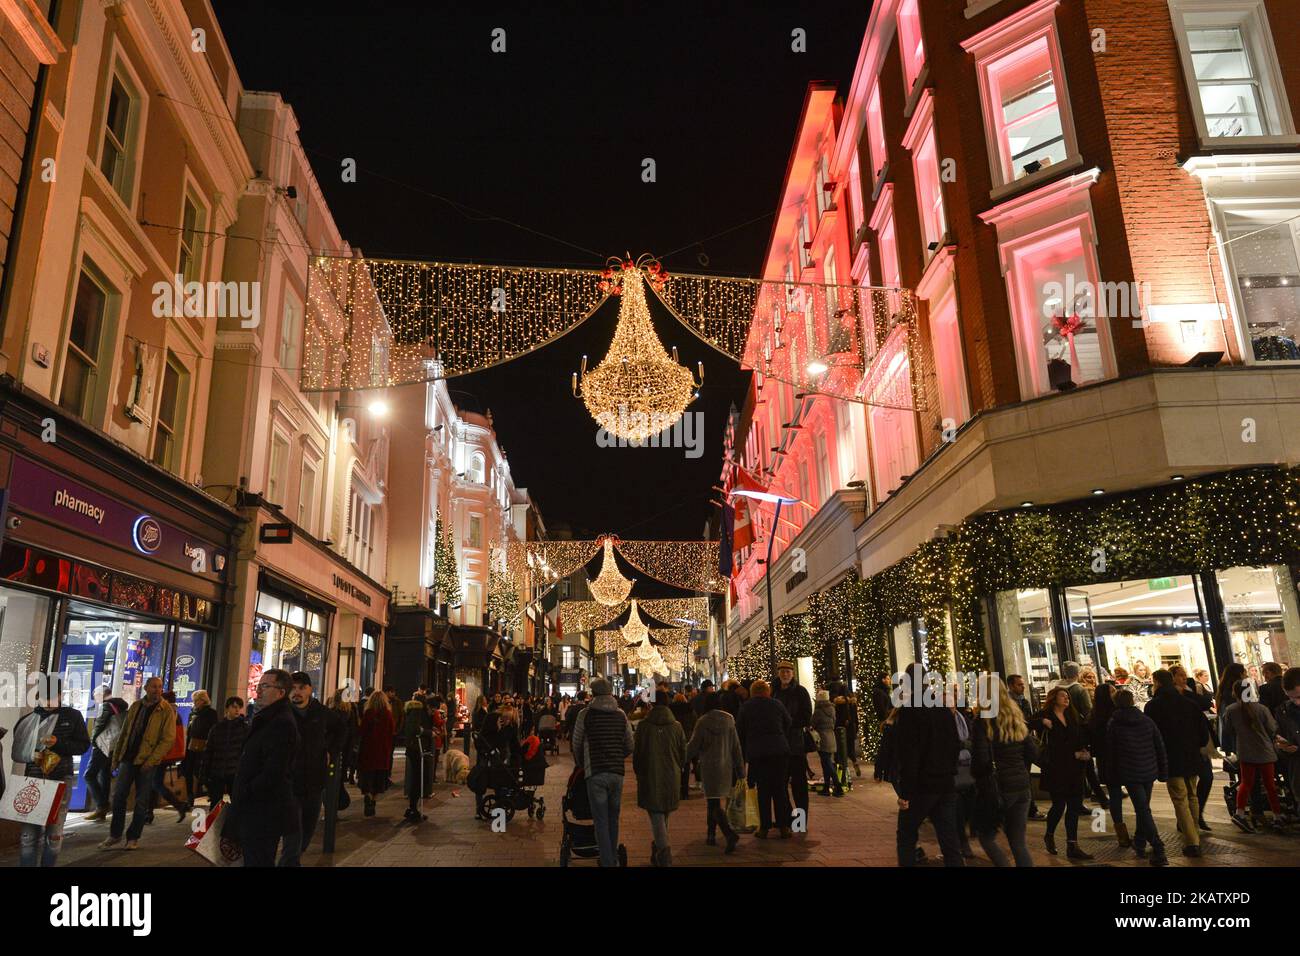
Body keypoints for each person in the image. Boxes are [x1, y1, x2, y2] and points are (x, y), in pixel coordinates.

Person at [225, 669, 300, 867]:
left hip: (263, 812)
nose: (259, 691)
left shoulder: (281, 723)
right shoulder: (267, 718)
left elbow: (274, 771)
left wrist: (247, 791)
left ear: (281, 692)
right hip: (255, 809)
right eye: (259, 686)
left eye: (265, 687)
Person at [12, 675, 89, 866]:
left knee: (53, 836)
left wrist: (58, 743)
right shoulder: (28, 720)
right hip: (33, 782)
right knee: (28, 837)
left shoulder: (72, 716)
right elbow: (18, 751)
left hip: (61, 781)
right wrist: (32, 754)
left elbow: (83, 746)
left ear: (60, 694)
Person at [893, 664, 964, 867]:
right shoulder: (942, 707)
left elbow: (910, 753)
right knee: (949, 839)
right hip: (946, 783)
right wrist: (950, 769)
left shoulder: (910, 709)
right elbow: (955, 744)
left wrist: (905, 792)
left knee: (906, 835)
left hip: (922, 785)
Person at [100, 676, 177, 851]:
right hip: (128, 758)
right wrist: (116, 758)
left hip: (147, 762)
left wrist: (152, 760)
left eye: (159, 687)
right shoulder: (136, 706)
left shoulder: (166, 711)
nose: (157, 690)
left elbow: (167, 739)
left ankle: (133, 837)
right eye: (153, 687)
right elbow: (124, 733)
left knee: (141, 801)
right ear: (146, 688)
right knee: (119, 797)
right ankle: (115, 834)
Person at [279, 671, 342, 865]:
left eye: (301, 688)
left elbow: (341, 729)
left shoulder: (321, 712)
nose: (296, 692)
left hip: (315, 780)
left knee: (308, 827)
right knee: (293, 831)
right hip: (289, 781)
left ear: (309, 690)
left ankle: (293, 858)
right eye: (293, 688)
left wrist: (331, 750)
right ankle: (290, 862)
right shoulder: (282, 713)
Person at [1144, 669, 1208, 857]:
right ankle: (1194, 833)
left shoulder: (1153, 707)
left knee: (1180, 799)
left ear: (1157, 682)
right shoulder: (1189, 703)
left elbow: (1152, 736)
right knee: (1192, 796)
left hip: (1171, 758)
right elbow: (1203, 732)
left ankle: (1192, 841)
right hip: (1191, 756)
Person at [570, 677, 634, 867]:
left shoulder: (585, 714)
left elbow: (576, 743)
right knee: (613, 818)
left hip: (595, 772)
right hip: (617, 773)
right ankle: (611, 857)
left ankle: (607, 862)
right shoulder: (621, 715)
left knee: (600, 820)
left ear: (594, 694)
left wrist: (582, 764)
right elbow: (630, 745)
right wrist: (617, 756)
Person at [1107, 689, 1169, 866]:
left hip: (1130, 773)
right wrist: (1163, 771)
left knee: (1143, 809)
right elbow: (1159, 745)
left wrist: (1112, 776)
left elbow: (1112, 753)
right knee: (1143, 808)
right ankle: (1140, 842)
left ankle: (1158, 847)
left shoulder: (1114, 724)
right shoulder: (1146, 721)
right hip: (1148, 771)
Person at [980, 680, 1038, 867]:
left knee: (987, 837)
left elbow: (980, 760)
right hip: (1022, 785)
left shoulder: (984, 721)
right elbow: (1033, 753)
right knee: (1018, 842)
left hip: (999, 787)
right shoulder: (1016, 717)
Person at [1035, 686, 1093, 860]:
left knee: (1074, 807)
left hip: (1075, 768)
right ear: (1054, 698)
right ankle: (1050, 834)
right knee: (1059, 805)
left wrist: (1084, 751)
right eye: (1063, 696)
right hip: (1056, 768)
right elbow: (1030, 723)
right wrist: (1042, 722)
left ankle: (1072, 845)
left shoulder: (1072, 716)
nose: (1066, 698)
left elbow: (1080, 736)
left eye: (1068, 696)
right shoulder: (1046, 715)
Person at [1222, 679, 1285, 832]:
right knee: (1270, 785)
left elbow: (1229, 730)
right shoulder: (1261, 709)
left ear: (1234, 693)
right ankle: (1277, 816)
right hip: (1264, 752)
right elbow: (1272, 728)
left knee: (1246, 783)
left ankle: (1240, 813)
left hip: (1245, 752)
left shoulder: (1231, 710)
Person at [633, 690, 686, 866]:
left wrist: (639, 772)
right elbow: (682, 754)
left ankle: (664, 855)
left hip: (650, 774)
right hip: (672, 775)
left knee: (656, 813)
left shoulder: (643, 726)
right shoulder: (676, 726)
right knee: (663, 812)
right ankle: (657, 850)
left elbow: (637, 754)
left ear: (651, 704)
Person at [686, 691, 743, 853]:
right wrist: (740, 769)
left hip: (709, 767)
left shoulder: (703, 721)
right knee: (715, 802)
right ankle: (710, 834)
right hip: (727, 766)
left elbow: (693, 745)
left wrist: (682, 758)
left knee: (713, 802)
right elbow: (736, 746)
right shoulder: (729, 719)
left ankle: (728, 833)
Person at [737, 679, 792, 839]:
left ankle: (764, 827)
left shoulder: (746, 707)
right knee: (780, 789)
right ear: (767, 691)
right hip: (779, 751)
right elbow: (788, 722)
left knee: (763, 791)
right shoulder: (777, 704)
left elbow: (740, 729)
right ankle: (784, 826)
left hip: (758, 752)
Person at [1169, 664, 1215, 832]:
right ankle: (1189, 819)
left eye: (1184, 675)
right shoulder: (1173, 695)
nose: (1183, 678)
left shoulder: (1190, 689)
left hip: (1200, 741)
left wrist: (1189, 690)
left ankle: (1195, 815)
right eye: (1180, 675)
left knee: (1206, 778)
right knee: (1189, 784)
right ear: (1172, 677)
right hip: (1186, 745)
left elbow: (1205, 703)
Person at [1087, 680, 1128, 847]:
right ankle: (1122, 832)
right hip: (1117, 760)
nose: (1115, 694)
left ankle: (1122, 833)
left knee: (1117, 796)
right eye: (1111, 692)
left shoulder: (1094, 716)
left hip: (1109, 761)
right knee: (1117, 796)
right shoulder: (1115, 715)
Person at [772, 659, 812, 827]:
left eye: (788, 671)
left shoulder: (801, 692)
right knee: (779, 785)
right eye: (782, 671)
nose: (785, 674)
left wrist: (788, 723)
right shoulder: (773, 691)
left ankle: (800, 821)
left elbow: (806, 715)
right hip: (778, 745)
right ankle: (787, 818)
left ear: (793, 673)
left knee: (799, 786)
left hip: (796, 745)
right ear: (778, 673)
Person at [83, 685, 127, 822]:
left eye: (95, 695)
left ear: (101, 695)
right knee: (105, 775)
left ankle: (102, 806)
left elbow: (99, 726)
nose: (94, 698)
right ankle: (101, 811)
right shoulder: (121, 706)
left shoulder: (106, 706)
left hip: (103, 745)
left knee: (89, 775)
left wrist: (93, 742)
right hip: (114, 746)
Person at [203, 696, 249, 806]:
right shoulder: (217, 728)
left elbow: (247, 751)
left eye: (239, 707)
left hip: (235, 771)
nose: (237, 710)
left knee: (237, 803)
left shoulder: (244, 728)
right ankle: (215, 823)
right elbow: (209, 750)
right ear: (227, 708)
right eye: (234, 707)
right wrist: (204, 773)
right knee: (215, 803)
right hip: (217, 771)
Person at [1006, 675, 1039, 818]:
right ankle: (1029, 808)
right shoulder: (1007, 703)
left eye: (1023, 684)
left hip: (1025, 742)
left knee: (1027, 775)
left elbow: (1029, 720)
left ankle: (1029, 808)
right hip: (1015, 744)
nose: (1023, 687)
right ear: (1011, 686)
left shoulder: (1024, 702)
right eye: (1019, 685)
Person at [358, 690, 396, 816]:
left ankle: (367, 795)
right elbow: (392, 731)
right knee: (379, 778)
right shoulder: (388, 714)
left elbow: (362, 731)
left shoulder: (369, 713)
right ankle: (373, 800)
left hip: (368, 751)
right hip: (382, 751)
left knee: (367, 776)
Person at [401, 691, 434, 823]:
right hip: (417, 749)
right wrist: (428, 732)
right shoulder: (417, 711)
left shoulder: (413, 710)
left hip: (415, 748)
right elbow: (415, 729)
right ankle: (413, 807)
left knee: (419, 777)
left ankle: (413, 806)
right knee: (418, 778)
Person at [183, 690, 218, 804]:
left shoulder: (211, 713)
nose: (194, 703)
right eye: (194, 700)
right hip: (191, 746)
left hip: (203, 746)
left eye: (196, 700)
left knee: (200, 772)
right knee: (188, 771)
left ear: (203, 701)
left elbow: (213, 729)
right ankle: (190, 796)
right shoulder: (192, 713)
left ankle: (212, 791)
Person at [1274, 667, 1300, 799]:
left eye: (1299, 696)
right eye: (1291, 697)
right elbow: (1279, 737)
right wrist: (1282, 746)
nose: (1297, 702)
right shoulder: (1283, 711)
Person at [812, 689, 842, 797]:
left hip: (822, 738)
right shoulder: (832, 709)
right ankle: (826, 787)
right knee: (826, 763)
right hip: (831, 736)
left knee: (827, 763)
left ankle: (837, 786)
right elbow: (834, 722)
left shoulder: (818, 711)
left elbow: (813, 723)